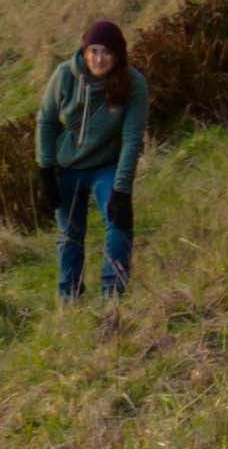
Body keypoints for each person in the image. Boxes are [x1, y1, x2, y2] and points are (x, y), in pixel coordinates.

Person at [36, 18, 147, 300]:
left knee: (119, 223)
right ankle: (69, 298)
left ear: (118, 55)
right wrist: (45, 170)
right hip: (67, 168)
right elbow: (46, 121)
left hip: (106, 167)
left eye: (107, 52)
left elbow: (132, 139)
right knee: (70, 235)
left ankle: (113, 294)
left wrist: (121, 189)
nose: (99, 59)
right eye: (93, 51)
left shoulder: (133, 84)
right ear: (84, 52)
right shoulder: (64, 76)